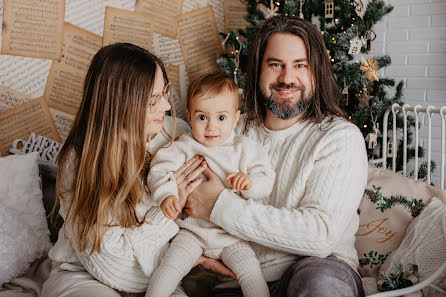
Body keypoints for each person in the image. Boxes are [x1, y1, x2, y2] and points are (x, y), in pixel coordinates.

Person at [183, 15, 369, 297]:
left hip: (316, 269)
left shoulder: (339, 137)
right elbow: (185, 196)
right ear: (258, 70)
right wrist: (199, 253)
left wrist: (218, 205)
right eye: (275, 65)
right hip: (238, 274)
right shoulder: (228, 129)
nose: (286, 79)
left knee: (321, 285)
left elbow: (319, 236)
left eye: (300, 66)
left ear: (316, 72)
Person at [41, 43, 232, 297]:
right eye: (154, 100)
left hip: (160, 275)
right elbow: (111, 266)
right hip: (85, 276)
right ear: (123, 104)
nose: (166, 106)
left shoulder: (179, 135)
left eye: (164, 92)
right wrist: (167, 214)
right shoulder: (80, 162)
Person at [146, 71, 275, 297]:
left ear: (236, 118)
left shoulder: (244, 149)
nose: (211, 127)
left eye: (221, 118)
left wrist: (250, 184)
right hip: (193, 231)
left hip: (231, 235)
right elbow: (159, 169)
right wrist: (166, 195)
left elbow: (266, 179)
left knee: (251, 272)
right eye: (202, 117)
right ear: (189, 115)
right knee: (169, 268)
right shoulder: (184, 146)